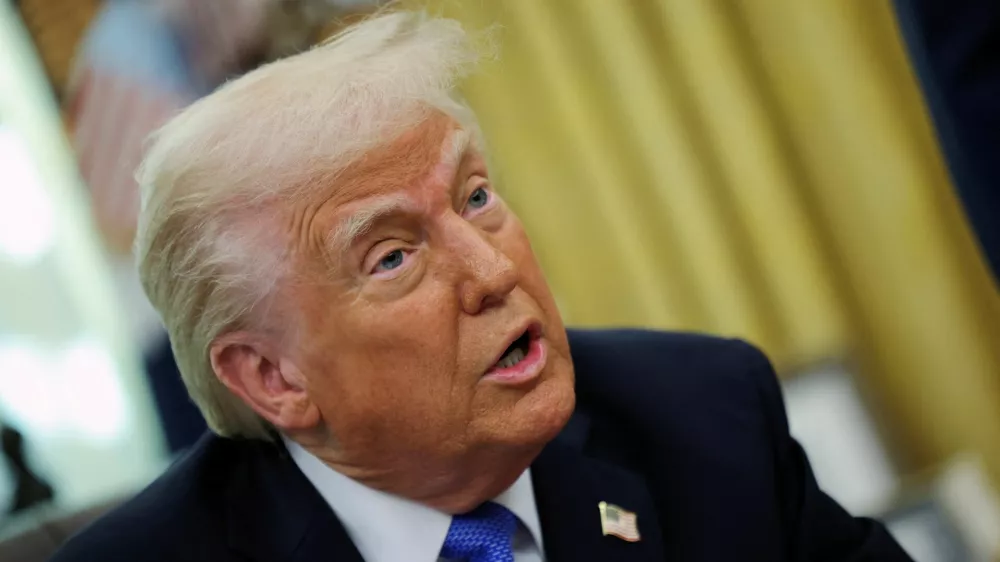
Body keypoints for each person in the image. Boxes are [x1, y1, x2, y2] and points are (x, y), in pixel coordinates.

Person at [51, 12, 912, 562]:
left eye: (476, 197)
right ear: (273, 378)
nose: (495, 272)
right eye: (392, 257)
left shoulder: (705, 416)